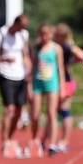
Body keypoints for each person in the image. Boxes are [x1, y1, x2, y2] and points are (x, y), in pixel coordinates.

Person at [0, 14, 31, 158]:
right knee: (9, 109)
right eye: (21, 27)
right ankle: (4, 140)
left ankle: (11, 137)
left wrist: (28, 69)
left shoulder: (23, 35)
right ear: (15, 24)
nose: (21, 30)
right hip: (5, 74)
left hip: (20, 75)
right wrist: (3, 59)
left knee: (18, 110)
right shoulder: (0, 35)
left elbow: (25, 53)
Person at [29, 23, 66, 157]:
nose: (44, 37)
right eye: (42, 34)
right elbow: (32, 68)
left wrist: (62, 88)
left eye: (47, 34)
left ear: (51, 34)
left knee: (51, 113)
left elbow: (60, 69)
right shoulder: (36, 48)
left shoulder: (56, 49)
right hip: (38, 84)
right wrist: (29, 87)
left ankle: (52, 143)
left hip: (52, 84)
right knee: (35, 115)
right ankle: (35, 140)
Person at [54, 22, 83, 152]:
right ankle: (54, 140)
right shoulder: (56, 46)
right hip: (56, 81)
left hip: (66, 81)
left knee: (64, 110)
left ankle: (65, 141)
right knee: (56, 111)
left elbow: (82, 56)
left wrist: (70, 62)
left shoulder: (67, 46)